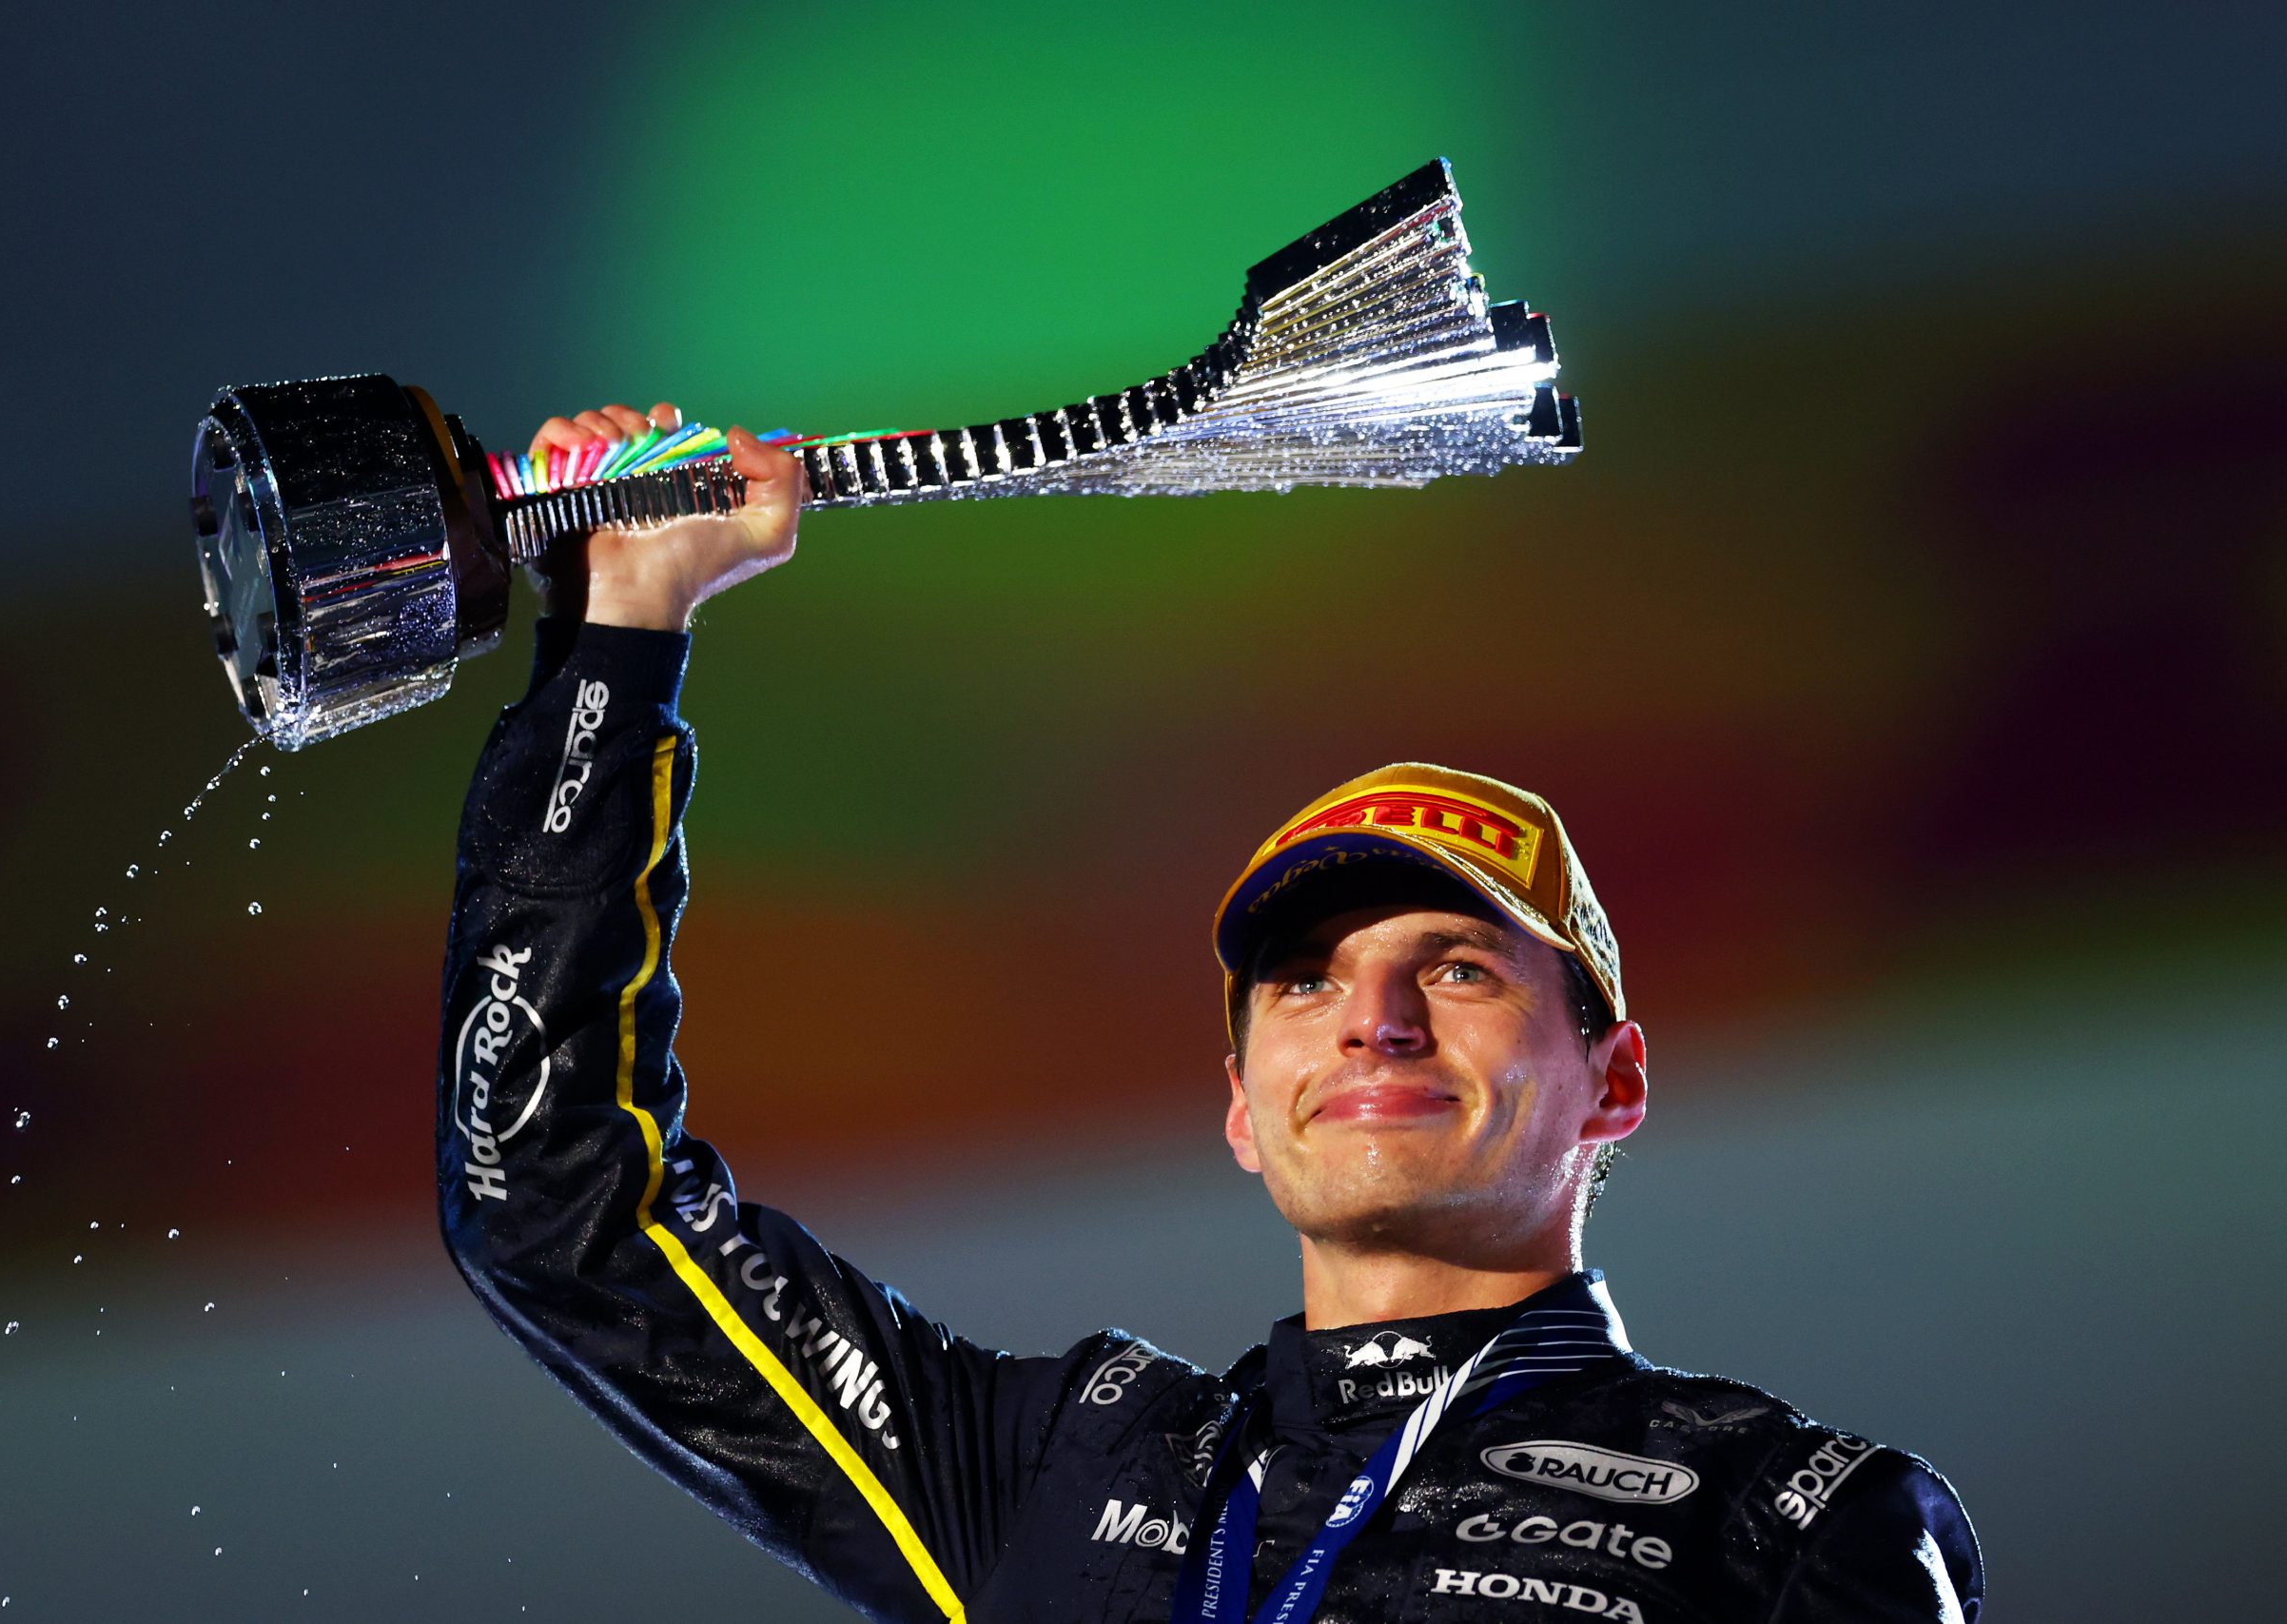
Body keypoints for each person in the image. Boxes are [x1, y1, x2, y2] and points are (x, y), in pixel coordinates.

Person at [437, 401, 1984, 1623]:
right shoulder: (1061, 1470)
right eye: (1303, 982)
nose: (1370, 1016)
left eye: (1455, 966)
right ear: (1244, 1103)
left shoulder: (1794, 1519)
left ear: (1617, 1076)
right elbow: (556, 1203)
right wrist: (618, 642)